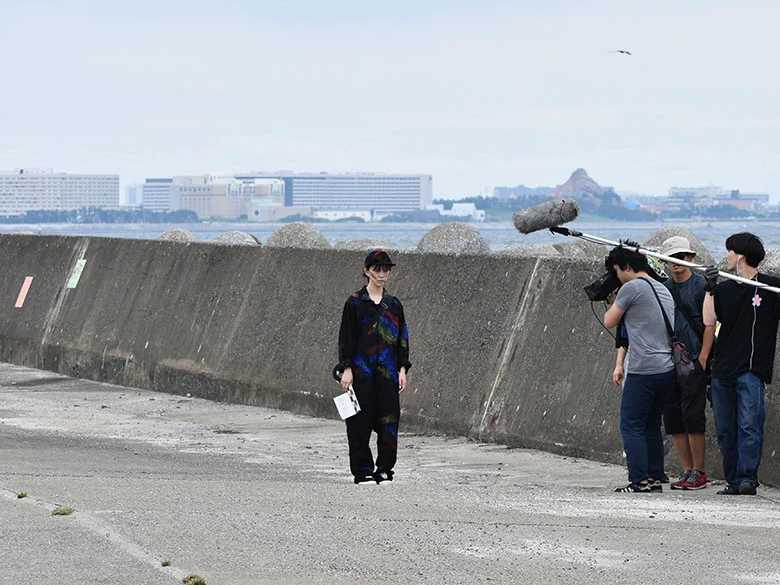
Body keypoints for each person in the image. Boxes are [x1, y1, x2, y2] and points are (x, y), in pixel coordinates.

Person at [703, 233, 780, 496]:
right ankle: (732, 480)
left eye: (729, 251)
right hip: (722, 369)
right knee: (726, 430)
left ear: (741, 255)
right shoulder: (724, 288)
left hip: (751, 370)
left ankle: (748, 479)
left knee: (750, 425)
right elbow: (708, 319)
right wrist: (710, 287)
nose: (726, 256)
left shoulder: (769, 288)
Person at [605, 243, 675, 493]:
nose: (617, 276)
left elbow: (609, 320)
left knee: (631, 425)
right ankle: (655, 476)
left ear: (626, 266)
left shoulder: (631, 287)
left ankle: (639, 481)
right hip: (666, 367)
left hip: (643, 368)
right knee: (651, 425)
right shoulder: (662, 289)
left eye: (616, 270)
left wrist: (613, 301)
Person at [337, 250, 411, 485]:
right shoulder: (355, 303)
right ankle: (363, 471)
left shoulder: (394, 305)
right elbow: (346, 338)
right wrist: (346, 368)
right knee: (359, 422)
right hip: (361, 373)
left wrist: (402, 369)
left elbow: (402, 338)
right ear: (367, 271)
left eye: (385, 269)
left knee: (389, 422)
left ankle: (385, 469)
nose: (382, 274)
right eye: (377, 269)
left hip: (388, 373)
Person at [659, 236, 716, 490]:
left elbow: (709, 324)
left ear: (691, 259)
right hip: (670, 361)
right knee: (673, 417)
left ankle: (699, 471)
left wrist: (703, 359)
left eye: (682, 257)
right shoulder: (664, 288)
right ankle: (686, 470)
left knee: (693, 416)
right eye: (672, 258)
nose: (677, 262)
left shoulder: (701, 285)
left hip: (693, 360)